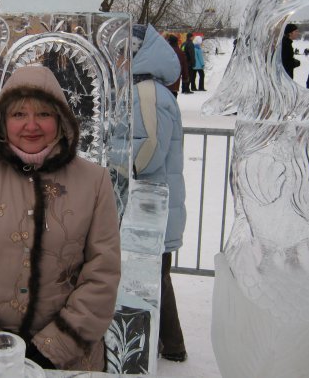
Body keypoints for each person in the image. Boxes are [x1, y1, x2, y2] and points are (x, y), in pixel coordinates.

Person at [0, 65, 121, 371]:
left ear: (60, 120)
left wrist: (51, 349)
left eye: (44, 114)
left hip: (67, 359)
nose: (31, 125)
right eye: (19, 114)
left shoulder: (95, 182)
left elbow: (103, 273)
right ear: (2, 120)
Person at [130, 24, 187, 363]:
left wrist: (109, 165)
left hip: (151, 207)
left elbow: (147, 153)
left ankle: (163, 346)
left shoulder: (146, 91)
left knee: (153, 278)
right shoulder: (147, 88)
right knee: (157, 277)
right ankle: (170, 344)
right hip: (155, 206)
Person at [166, 34, 189, 98]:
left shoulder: (164, 51)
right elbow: (184, 66)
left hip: (163, 81)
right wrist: (185, 78)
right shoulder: (180, 52)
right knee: (173, 96)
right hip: (175, 81)